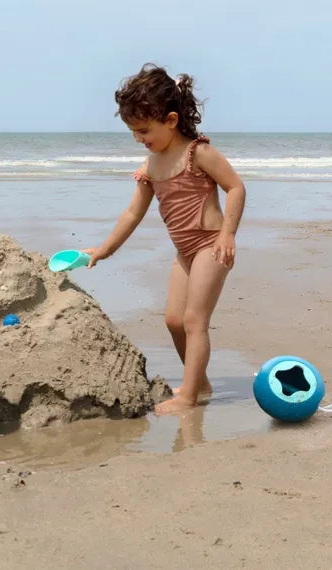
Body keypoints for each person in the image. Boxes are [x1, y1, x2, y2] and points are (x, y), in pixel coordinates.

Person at [85, 64, 246, 414]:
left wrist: (228, 233)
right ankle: (200, 384)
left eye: (144, 130)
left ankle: (188, 397)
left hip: (210, 245)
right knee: (174, 321)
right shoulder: (151, 166)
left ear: (171, 120)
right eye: (133, 132)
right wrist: (104, 250)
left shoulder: (198, 153)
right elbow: (133, 213)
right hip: (184, 252)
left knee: (194, 320)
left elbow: (235, 187)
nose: (139, 138)